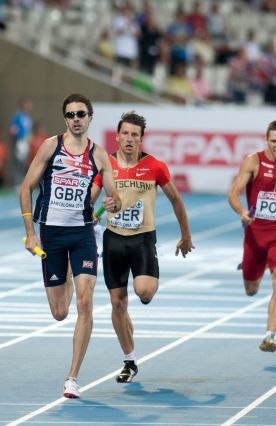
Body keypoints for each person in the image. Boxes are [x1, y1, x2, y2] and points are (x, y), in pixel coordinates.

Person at [19, 93, 122, 399]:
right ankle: (67, 274)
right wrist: (30, 232)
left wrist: (113, 202)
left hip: (82, 235)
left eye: (81, 114)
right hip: (51, 235)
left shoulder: (100, 155)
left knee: (85, 303)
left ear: (90, 117)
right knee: (60, 312)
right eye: (70, 115)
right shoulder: (51, 146)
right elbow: (26, 187)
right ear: (65, 119)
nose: (76, 119)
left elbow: (113, 197)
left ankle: (72, 377)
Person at [91, 111, 194, 383]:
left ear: (141, 139)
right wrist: (94, 212)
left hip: (143, 239)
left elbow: (176, 200)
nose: (129, 139)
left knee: (144, 293)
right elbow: (91, 203)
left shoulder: (155, 166)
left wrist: (185, 235)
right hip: (113, 239)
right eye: (125, 133)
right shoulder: (107, 165)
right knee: (117, 302)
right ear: (117, 136)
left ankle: (129, 320)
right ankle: (129, 360)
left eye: (134, 135)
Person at [228, 120, 276, 352]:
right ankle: (252, 264)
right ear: (266, 140)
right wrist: (242, 211)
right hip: (254, 235)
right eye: (274, 141)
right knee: (251, 289)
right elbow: (233, 193)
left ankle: (269, 335)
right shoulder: (254, 161)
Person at [9, 97, 33, 186]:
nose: (29, 106)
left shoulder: (28, 117)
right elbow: (13, 129)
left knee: (24, 163)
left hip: (26, 142)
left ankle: (22, 182)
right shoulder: (17, 117)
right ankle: (17, 183)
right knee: (18, 163)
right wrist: (16, 141)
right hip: (20, 142)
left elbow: (28, 131)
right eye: (27, 104)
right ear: (23, 105)